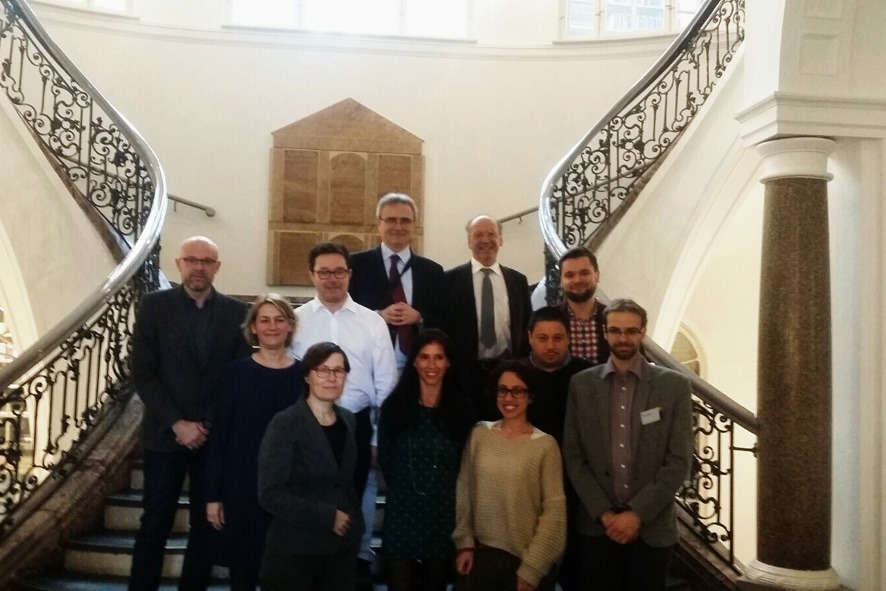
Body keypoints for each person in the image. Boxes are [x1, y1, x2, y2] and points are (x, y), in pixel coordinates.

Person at [129, 236, 251, 591]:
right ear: (179, 264)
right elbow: (144, 372)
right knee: (155, 520)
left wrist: (206, 423)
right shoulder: (154, 306)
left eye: (207, 261)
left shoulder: (237, 312)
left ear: (217, 267)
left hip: (213, 438)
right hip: (164, 434)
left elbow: (237, 376)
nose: (199, 267)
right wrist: (177, 422)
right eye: (192, 260)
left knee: (205, 523)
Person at [563, 298, 692, 591]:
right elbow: (573, 455)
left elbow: (679, 460)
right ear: (605, 333)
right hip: (598, 528)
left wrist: (637, 514)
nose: (623, 338)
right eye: (616, 331)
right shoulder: (581, 385)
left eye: (631, 331)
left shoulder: (675, 386)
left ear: (642, 332)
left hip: (651, 528)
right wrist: (606, 514)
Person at [290, 241, 398, 585]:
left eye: (338, 271)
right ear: (311, 275)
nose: (332, 278)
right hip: (309, 423)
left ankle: (358, 556)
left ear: (349, 275)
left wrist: (378, 437)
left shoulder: (372, 322)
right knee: (309, 491)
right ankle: (314, 558)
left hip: (358, 422)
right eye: (324, 272)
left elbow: (386, 384)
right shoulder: (296, 321)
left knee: (359, 491)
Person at [205, 294, 304, 591]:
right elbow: (220, 437)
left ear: (290, 326)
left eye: (279, 320)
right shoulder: (235, 374)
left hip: (290, 487)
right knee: (243, 574)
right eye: (265, 320)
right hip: (241, 486)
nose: (272, 327)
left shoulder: (304, 375)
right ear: (253, 328)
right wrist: (214, 496)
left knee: (286, 574)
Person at [257, 342, 363, 591]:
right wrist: (328, 516)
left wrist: (355, 524)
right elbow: (269, 493)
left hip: (340, 553)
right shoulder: (285, 423)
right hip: (295, 553)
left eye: (339, 371)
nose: (331, 378)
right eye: (322, 370)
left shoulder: (348, 420)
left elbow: (344, 484)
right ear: (307, 376)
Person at [452, 361, 566, 591]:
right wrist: (464, 543)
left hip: (525, 561)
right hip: (481, 556)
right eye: (502, 390)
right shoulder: (479, 434)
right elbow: (464, 490)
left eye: (518, 391)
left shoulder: (545, 446)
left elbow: (554, 513)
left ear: (530, 396)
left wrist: (532, 569)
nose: (508, 398)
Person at [377, 329, 475, 591]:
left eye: (439, 357)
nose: (431, 365)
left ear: (448, 362)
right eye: (424, 357)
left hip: (442, 517)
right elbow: (386, 461)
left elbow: (465, 468)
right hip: (401, 515)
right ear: (414, 362)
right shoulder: (393, 408)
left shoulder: (463, 410)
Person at [520, 306, 591, 591]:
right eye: (542, 338)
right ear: (529, 337)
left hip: (575, 483)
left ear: (569, 337)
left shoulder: (587, 375)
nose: (550, 345)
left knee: (575, 566)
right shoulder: (514, 375)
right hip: (526, 484)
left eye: (558, 338)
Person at [444, 216, 531, 416]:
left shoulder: (518, 281)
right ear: (469, 241)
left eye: (491, 234)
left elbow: (527, 327)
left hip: (508, 374)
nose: (485, 240)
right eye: (478, 235)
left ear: (501, 239)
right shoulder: (449, 281)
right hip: (464, 376)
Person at [349, 192, 446, 371]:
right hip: (368, 364)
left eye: (405, 221)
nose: (398, 226)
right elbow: (345, 312)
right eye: (391, 220)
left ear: (414, 225)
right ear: (379, 223)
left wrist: (419, 317)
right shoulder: (355, 265)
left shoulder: (432, 271)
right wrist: (378, 316)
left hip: (417, 367)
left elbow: (444, 319)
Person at [557, 247, 608, 365]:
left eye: (584, 273)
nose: (577, 280)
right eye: (569, 275)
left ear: (597, 276)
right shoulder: (549, 319)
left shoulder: (613, 318)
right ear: (561, 281)